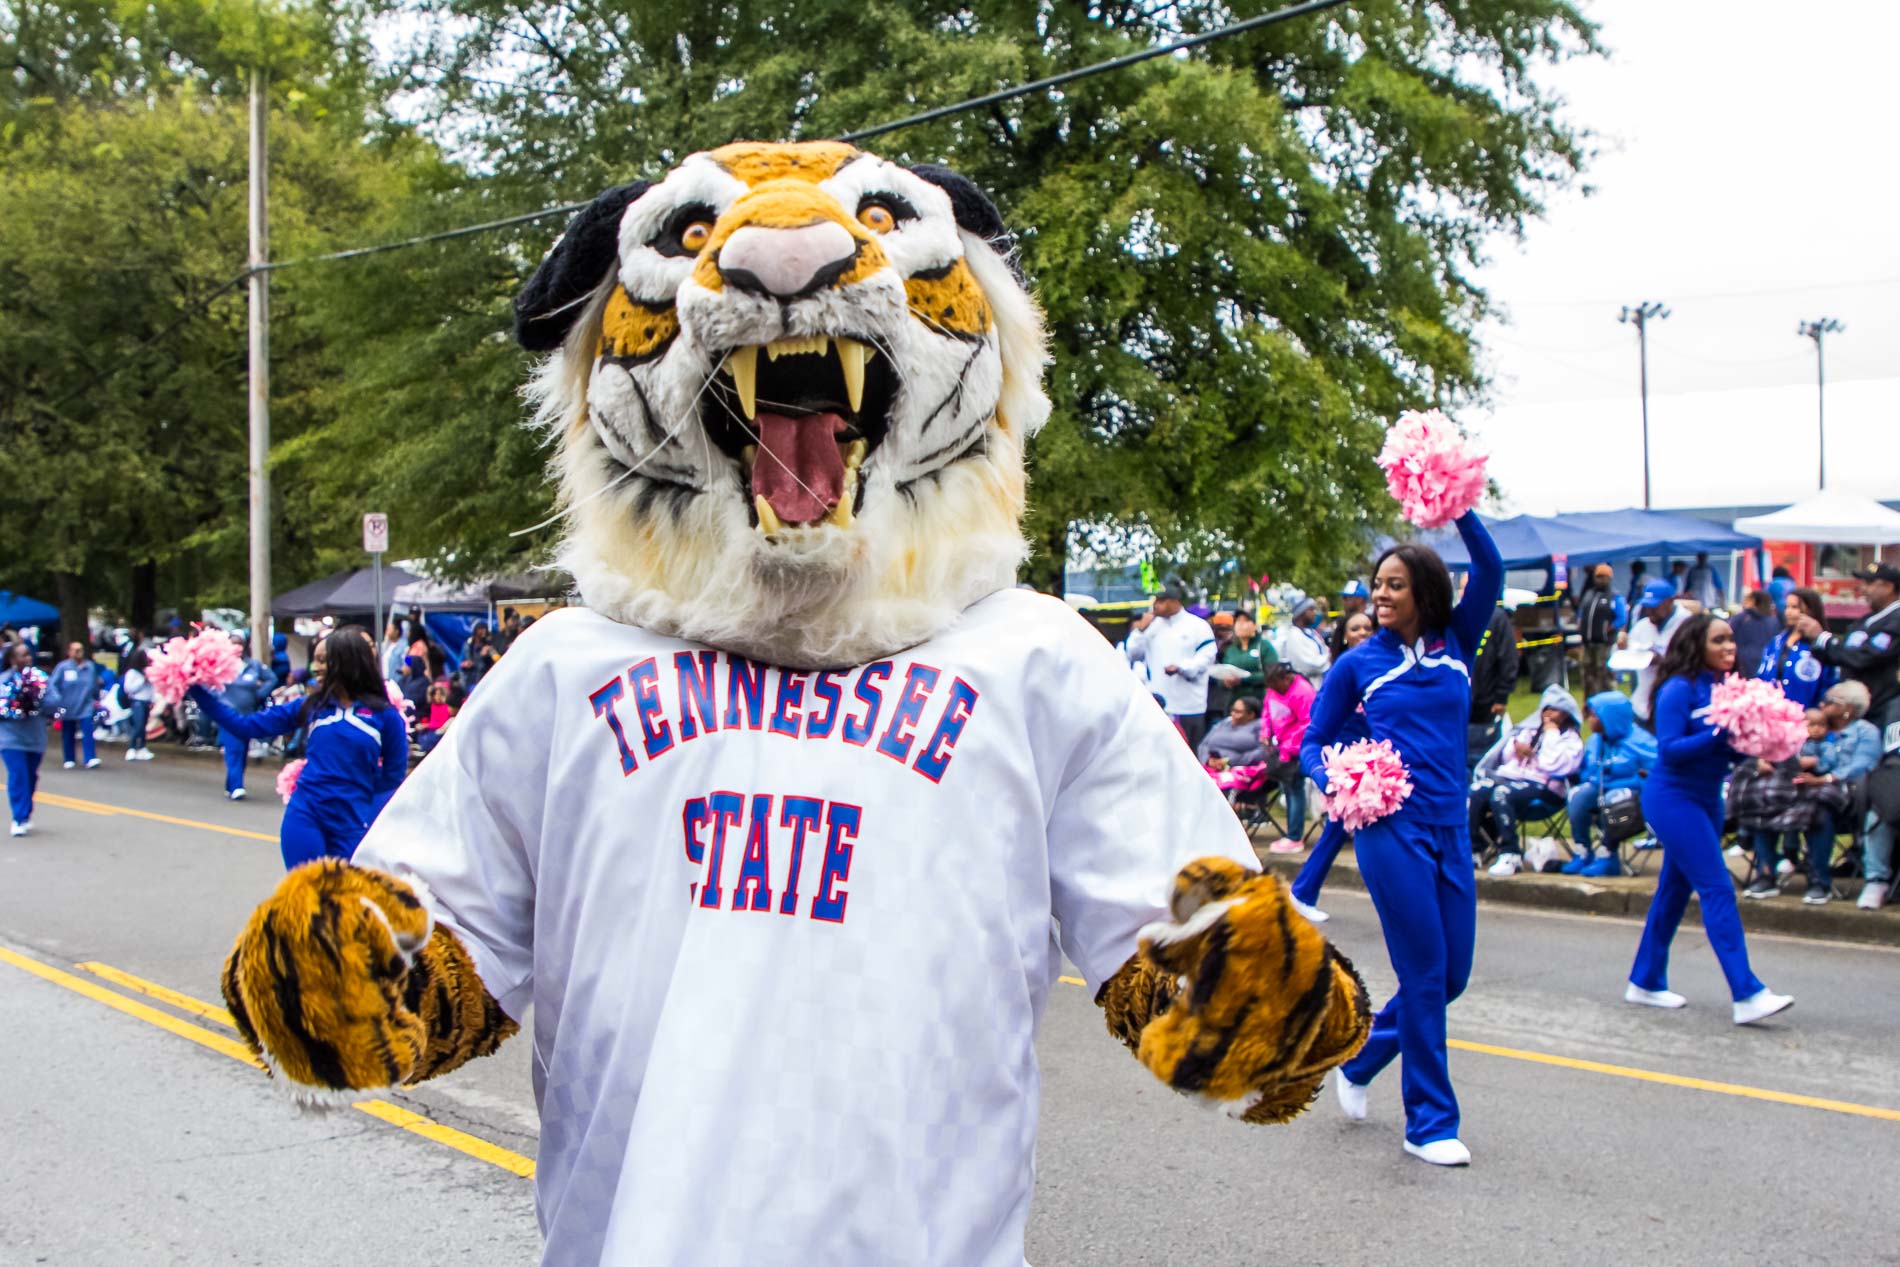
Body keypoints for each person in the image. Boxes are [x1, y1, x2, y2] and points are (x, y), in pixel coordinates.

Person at [1302, 510, 1502, 1167]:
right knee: (1421, 972)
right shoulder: (1359, 663)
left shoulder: (1458, 639)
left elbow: (1492, 570)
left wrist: (1456, 506)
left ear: (1424, 590)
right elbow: (1313, 741)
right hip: (1391, 827)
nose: (1380, 596)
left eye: (1393, 585)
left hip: (1451, 824)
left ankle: (1360, 1059)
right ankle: (1429, 1122)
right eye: (1375, 585)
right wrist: (1342, 777)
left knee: (1451, 976)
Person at [1623, 612, 1793, 1026]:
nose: (1729, 647)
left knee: (1674, 892)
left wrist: (1758, 740)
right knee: (1717, 887)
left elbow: (1728, 752)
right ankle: (1746, 992)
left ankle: (1644, 980)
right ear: (1697, 644)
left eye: (1731, 640)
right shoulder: (1678, 689)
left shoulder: (1725, 688)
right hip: (1673, 798)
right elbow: (1670, 749)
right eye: (1719, 640)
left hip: (1708, 799)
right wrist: (1719, 732)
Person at [187, 626, 407, 868]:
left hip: (353, 825)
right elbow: (244, 726)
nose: (316, 667)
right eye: (316, 660)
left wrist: (360, 799)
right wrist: (197, 691)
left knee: (342, 900)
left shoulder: (386, 717)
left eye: (324, 660)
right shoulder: (310, 706)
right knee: (308, 895)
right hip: (306, 816)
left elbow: (393, 778)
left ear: (347, 662)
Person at [1290, 610, 1376, 922]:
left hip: (1380, 763)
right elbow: (1321, 719)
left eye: (1368, 627)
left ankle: (1303, 891)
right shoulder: (1340, 672)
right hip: (1347, 763)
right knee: (1339, 828)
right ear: (1344, 637)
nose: (1363, 633)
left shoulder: (1384, 668)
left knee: (1348, 831)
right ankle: (1301, 892)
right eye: (1356, 628)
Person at [1469, 684, 1584, 875]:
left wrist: (1551, 732)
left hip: (1547, 788)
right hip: (1512, 778)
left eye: (1554, 710)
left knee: (1501, 794)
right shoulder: (1528, 730)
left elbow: (1551, 764)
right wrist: (1516, 749)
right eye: (1545, 708)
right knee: (1477, 790)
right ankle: (1473, 848)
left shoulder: (1570, 740)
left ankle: (1511, 853)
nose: (1548, 714)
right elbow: (1503, 759)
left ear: (1565, 714)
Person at [1791, 681, 1881, 905]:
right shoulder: (1810, 727)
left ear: (1848, 708)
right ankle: (1773, 866)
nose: (1822, 704)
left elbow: (1863, 767)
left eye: (1830, 701)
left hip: (1846, 796)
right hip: (1801, 790)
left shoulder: (1865, 732)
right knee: (1765, 794)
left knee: (1818, 806)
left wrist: (1824, 779)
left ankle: (1819, 882)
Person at [1562, 691, 1656, 877]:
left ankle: (1607, 854)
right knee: (1578, 796)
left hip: (1632, 794)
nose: (1590, 719)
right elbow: (1586, 771)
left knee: (1613, 801)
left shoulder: (1641, 742)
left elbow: (1655, 774)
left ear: (1609, 717)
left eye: (1595, 715)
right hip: (1599, 787)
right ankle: (1583, 851)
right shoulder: (1595, 741)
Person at [1797, 563, 1900, 725]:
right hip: (1851, 713)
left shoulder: (1896, 619)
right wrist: (1816, 641)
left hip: (1881, 713)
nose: (1863, 589)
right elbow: (1840, 653)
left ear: (1888, 587)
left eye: (1869, 583)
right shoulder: (1866, 620)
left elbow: (1865, 657)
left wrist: (1824, 638)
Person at [1123, 582, 1218, 747]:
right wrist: (1140, 631)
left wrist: (1182, 668)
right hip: (1158, 702)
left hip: (1188, 704)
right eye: (1155, 601)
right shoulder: (1152, 627)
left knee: (1189, 752)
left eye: (1161, 601)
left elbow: (1206, 656)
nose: (1156, 606)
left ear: (1174, 601)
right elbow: (1133, 654)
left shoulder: (1197, 626)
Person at [210, 634, 279, 801]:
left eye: (240, 644)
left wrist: (259, 695)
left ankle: (231, 784)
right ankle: (237, 786)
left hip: (248, 714)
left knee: (242, 750)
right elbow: (210, 685)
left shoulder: (253, 665)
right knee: (234, 749)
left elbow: (272, 678)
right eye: (234, 643)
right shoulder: (220, 665)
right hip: (228, 714)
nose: (238, 647)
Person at [1260, 659, 1315, 854]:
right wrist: (1266, 733)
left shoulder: (1303, 692)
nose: (1273, 688)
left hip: (1297, 748)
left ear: (1286, 677)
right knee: (1287, 788)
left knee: (1294, 788)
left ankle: (1295, 836)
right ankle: (1291, 833)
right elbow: (1267, 711)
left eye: (1276, 684)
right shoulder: (1273, 690)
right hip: (1280, 746)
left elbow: (1308, 723)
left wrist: (1288, 747)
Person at [1624, 580, 1689, 729]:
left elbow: (1693, 661)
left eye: (1655, 606)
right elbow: (1624, 654)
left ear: (1670, 602)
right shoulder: (1642, 626)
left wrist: (1663, 661)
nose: (1649, 611)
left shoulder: (1687, 624)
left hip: (1674, 702)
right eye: (1646, 606)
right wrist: (1622, 647)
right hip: (1643, 704)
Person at [1, 642, 50, 836]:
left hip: (35, 737)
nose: (27, 658)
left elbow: (55, 705)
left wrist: (39, 699)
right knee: (18, 775)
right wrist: (16, 705)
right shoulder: (4, 680)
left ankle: (26, 813)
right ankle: (18, 818)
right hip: (10, 738)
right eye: (22, 655)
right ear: (13, 660)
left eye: (28, 654)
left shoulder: (41, 680)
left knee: (31, 776)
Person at [1757, 587, 1833, 708]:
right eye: (1787, 607)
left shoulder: (1822, 645)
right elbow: (1760, 677)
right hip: (1771, 714)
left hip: (1806, 717)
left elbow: (1828, 684)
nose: (1788, 612)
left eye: (1794, 607)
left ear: (1811, 611)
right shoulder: (1776, 642)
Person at [1466, 599, 1518, 772]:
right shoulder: (1458, 615)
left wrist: (1501, 697)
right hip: (1458, 705)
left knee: (1483, 761)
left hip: (1486, 704)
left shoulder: (1496, 617)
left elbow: (1508, 658)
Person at [44, 641, 104, 770]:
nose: (78, 652)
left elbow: (94, 685)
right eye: (75, 650)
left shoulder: (89, 667)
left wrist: (97, 699)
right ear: (69, 652)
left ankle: (90, 757)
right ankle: (69, 758)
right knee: (68, 731)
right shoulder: (63, 667)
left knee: (88, 730)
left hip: (85, 704)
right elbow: (53, 684)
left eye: (80, 649)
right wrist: (56, 698)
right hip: (68, 704)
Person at [1209, 610, 1272, 731]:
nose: (1241, 625)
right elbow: (1222, 675)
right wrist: (1225, 681)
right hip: (1233, 704)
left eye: (1246, 621)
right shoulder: (1230, 650)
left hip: (1258, 703)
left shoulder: (1264, 646)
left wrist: (1246, 679)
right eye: (1238, 621)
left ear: (1254, 625)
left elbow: (1272, 674)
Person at [1573, 564, 1626, 698]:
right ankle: (1589, 704)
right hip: (1588, 642)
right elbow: (1582, 612)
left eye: (1604, 577)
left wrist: (1610, 627)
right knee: (1588, 675)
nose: (1600, 580)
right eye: (1598, 576)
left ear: (1610, 578)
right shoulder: (1589, 594)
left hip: (1605, 643)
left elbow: (1622, 618)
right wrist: (1580, 621)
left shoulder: (1614, 597)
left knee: (1605, 675)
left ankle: (1608, 703)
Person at [1197, 695, 1268, 772]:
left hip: (1239, 772)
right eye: (1232, 710)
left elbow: (1263, 752)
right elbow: (1204, 744)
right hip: (1209, 767)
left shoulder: (1260, 727)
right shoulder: (1225, 722)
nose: (1232, 714)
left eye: (1237, 712)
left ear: (1251, 715)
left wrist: (1230, 762)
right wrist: (1207, 760)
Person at [1279, 597, 1331, 685]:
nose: (1314, 613)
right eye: (1311, 610)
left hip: (1320, 683)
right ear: (1300, 614)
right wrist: (1330, 658)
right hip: (1308, 686)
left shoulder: (1311, 632)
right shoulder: (1294, 636)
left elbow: (1325, 651)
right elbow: (1309, 664)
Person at [1729, 590, 1778, 682]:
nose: (1743, 602)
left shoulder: (1740, 618)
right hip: (1766, 665)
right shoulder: (1774, 622)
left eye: (1746, 600)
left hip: (1741, 665)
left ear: (1753, 601)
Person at [120, 648, 155, 761]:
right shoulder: (132, 673)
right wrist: (142, 681)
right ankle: (131, 748)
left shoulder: (148, 672)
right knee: (138, 725)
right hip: (137, 701)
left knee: (144, 726)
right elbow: (129, 689)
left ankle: (142, 747)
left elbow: (152, 689)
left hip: (146, 701)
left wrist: (153, 700)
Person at [1328, 581, 1370, 659]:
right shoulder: (1341, 624)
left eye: (1346, 598)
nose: (1343, 601)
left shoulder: (1374, 622)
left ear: (1359, 599)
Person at [459, 621, 500, 691]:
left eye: (484, 628)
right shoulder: (467, 645)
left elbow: (498, 659)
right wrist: (465, 664)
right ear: (475, 630)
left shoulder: (488, 645)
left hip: (483, 680)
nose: (484, 631)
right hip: (469, 680)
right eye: (481, 628)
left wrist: (490, 652)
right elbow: (460, 662)